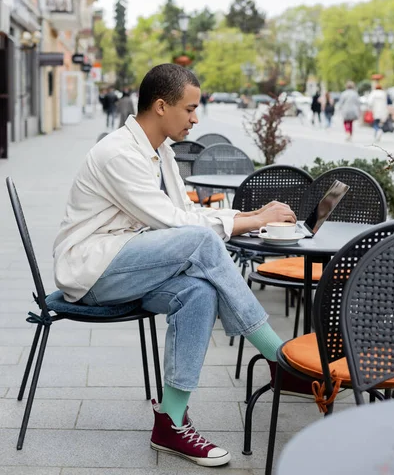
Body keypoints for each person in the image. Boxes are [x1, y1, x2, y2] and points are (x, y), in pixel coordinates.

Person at [53, 63, 312, 468]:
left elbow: (183, 212)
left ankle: (170, 422)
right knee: (202, 241)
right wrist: (254, 219)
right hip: (93, 272)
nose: (195, 118)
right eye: (190, 109)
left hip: (130, 260)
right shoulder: (118, 152)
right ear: (161, 106)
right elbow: (175, 224)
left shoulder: (162, 152)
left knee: (200, 291)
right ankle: (279, 359)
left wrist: (248, 215)